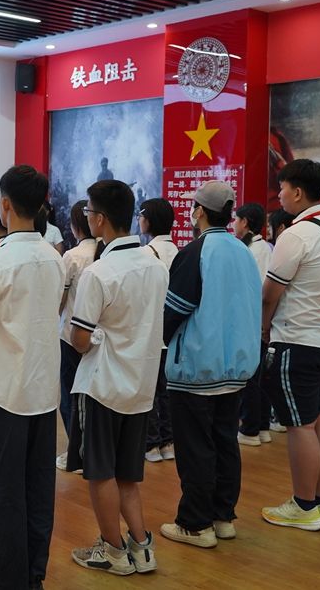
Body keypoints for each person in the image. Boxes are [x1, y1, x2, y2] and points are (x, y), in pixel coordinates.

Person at [0, 165, 65, 590]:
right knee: (39, 490)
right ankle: (32, 577)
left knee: (4, 493)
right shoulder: (55, 258)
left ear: (4, 205)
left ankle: (9, 581)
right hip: (44, 393)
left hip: (4, 396)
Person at [68, 180, 168, 576]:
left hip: (103, 385)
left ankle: (112, 549)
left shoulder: (98, 273)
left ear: (100, 219)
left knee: (100, 473)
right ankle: (141, 547)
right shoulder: (156, 266)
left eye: (89, 212)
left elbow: (79, 339)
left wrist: (95, 337)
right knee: (128, 475)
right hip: (140, 385)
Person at [159, 181, 261, 549]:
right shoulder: (243, 251)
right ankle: (222, 516)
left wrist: (160, 336)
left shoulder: (195, 252)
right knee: (225, 442)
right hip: (236, 368)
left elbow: (175, 310)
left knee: (195, 448)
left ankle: (194, 523)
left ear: (199, 211)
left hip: (197, 367)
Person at [261, 159, 320, 532]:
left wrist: (263, 328)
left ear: (297, 192)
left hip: (298, 342)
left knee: (299, 426)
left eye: (282, 188)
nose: (279, 194)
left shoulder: (296, 235)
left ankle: (302, 505)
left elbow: (270, 294)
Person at [57, 200, 97, 472]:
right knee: (91, 395)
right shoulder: (104, 253)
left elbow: (59, 301)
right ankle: (91, 450)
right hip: (98, 336)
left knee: (70, 395)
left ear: (75, 226)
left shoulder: (72, 257)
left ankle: (76, 452)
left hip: (71, 335)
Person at [138, 198, 178, 463]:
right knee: (167, 390)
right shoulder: (180, 251)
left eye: (141, 215)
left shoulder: (145, 253)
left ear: (149, 220)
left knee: (149, 390)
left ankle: (151, 444)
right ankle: (169, 442)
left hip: (151, 331)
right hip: (173, 332)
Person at [234, 203, 274, 447]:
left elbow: (254, 291)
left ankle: (249, 429)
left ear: (245, 222)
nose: (234, 224)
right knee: (261, 377)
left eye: (236, 219)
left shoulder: (251, 250)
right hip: (260, 322)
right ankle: (262, 427)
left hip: (251, 323)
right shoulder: (264, 248)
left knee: (249, 377)